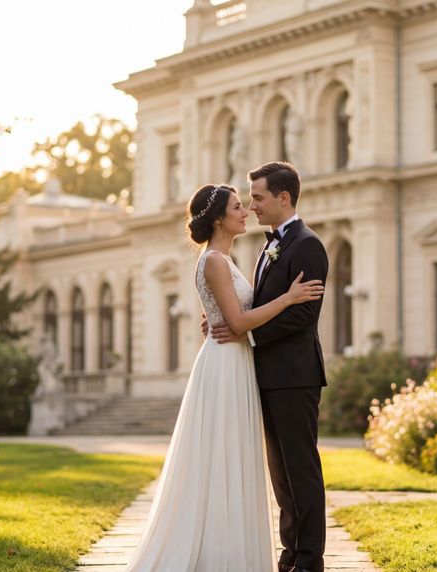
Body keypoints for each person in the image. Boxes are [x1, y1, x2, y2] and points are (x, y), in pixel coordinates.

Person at [124, 182, 324, 572]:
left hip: (238, 361)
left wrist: (225, 319)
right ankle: (218, 550)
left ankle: (237, 547)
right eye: (237, 206)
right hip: (226, 364)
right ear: (218, 219)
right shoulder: (216, 261)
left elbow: (234, 315)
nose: (246, 210)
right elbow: (238, 320)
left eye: (251, 201)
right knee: (223, 456)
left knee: (233, 456)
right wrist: (288, 297)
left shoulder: (226, 259)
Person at [210, 161, 330, 572]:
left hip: (295, 376)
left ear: (283, 197)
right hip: (268, 376)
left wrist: (247, 334)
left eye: (258, 198)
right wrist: (228, 320)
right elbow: (258, 306)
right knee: (281, 476)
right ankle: (290, 554)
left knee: (302, 471)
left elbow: (304, 315)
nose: (252, 206)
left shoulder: (308, 245)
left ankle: (310, 560)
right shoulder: (269, 246)